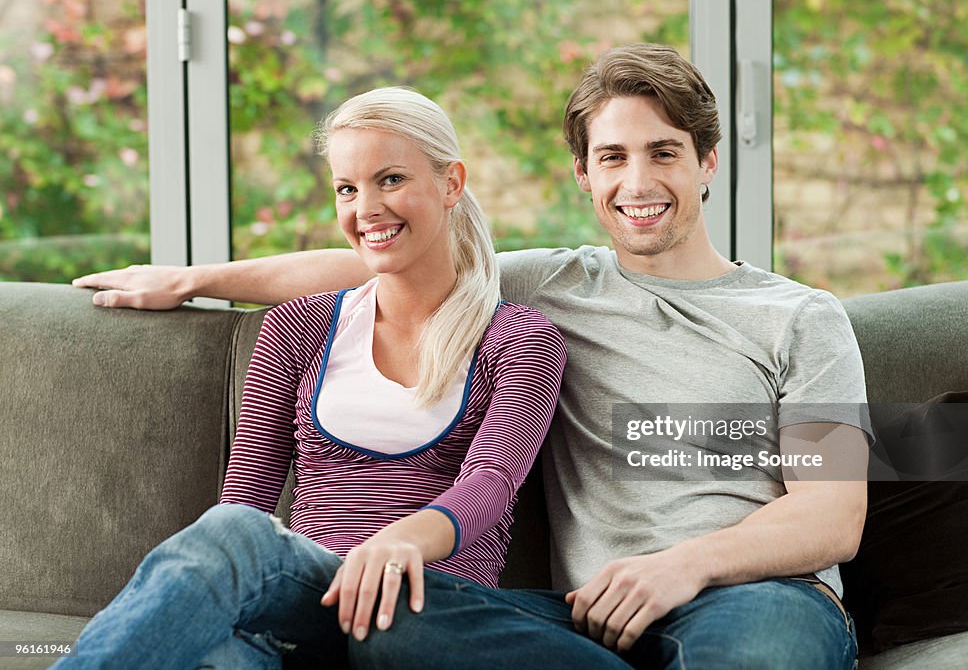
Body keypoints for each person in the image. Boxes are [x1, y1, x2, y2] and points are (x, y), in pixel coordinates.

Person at [74, 44, 872, 669]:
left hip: (758, 596)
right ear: (584, 175)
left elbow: (832, 513)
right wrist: (192, 278)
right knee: (391, 622)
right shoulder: (552, 286)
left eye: (663, 153)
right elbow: (381, 252)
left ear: (707, 162)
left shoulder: (802, 318)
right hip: (584, 620)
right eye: (613, 157)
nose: (638, 181)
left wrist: (684, 566)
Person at [55, 87, 567, 669]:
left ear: (451, 183)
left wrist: (394, 545)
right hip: (302, 608)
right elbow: (244, 501)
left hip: (423, 611)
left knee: (234, 540)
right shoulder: (301, 328)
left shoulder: (519, 339)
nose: (366, 208)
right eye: (348, 189)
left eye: (391, 179)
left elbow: (491, 490)